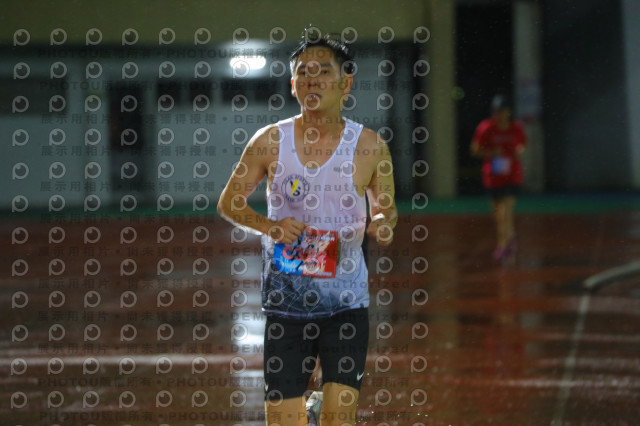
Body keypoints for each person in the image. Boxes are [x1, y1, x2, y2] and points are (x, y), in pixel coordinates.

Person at [217, 31, 398, 426]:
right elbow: (229, 202)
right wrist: (270, 226)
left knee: (338, 420)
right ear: (292, 84)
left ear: (346, 83)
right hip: (286, 307)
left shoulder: (369, 146)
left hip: (346, 304)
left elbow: (386, 209)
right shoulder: (269, 141)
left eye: (323, 71)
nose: (312, 79)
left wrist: (384, 223)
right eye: (303, 72)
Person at [470, 94, 527, 261]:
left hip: (512, 176)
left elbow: (523, 145)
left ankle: (504, 244)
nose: (500, 115)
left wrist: (520, 150)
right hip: (493, 176)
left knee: (505, 210)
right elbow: (475, 150)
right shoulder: (486, 128)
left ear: (508, 112)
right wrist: (492, 152)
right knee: (498, 214)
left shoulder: (516, 128)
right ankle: (509, 236)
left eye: (502, 111)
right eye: (497, 112)